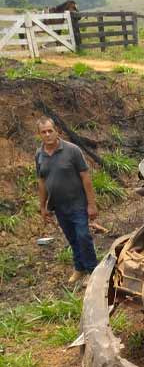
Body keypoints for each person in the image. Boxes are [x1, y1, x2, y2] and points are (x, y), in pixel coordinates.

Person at [35, 117, 99, 287]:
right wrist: (43, 206)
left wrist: (91, 204)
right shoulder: (39, 155)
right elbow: (41, 182)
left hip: (77, 203)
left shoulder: (72, 150)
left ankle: (93, 270)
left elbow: (85, 177)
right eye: (44, 132)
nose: (48, 134)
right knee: (72, 238)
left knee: (83, 236)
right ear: (39, 134)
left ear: (57, 131)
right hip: (59, 206)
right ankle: (79, 268)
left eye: (50, 130)